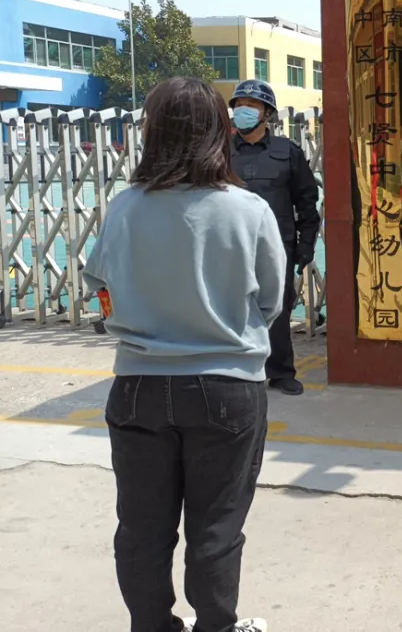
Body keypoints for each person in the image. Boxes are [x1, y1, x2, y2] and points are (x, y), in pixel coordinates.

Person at [83, 76, 286, 632]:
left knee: (142, 526)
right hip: (227, 387)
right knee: (217, 526)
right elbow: (269, 301)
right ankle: (216, 626)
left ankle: (152, 626)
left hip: (138, 387)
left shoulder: (125, 208)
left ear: (151, 134)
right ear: (220, 133)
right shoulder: (248, 211)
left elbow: (98, 284)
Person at [229, 80, 320, 396]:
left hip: (277, 246)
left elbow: (306, 200)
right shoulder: (218, 152)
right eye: (239, 105)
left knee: (277, 310)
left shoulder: (287, 153)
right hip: (230, 246)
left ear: (266, 113)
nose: (243, 111)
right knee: (232, 309)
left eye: (251, 106)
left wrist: (306, 243)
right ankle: (239, 371)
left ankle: (281, 372)